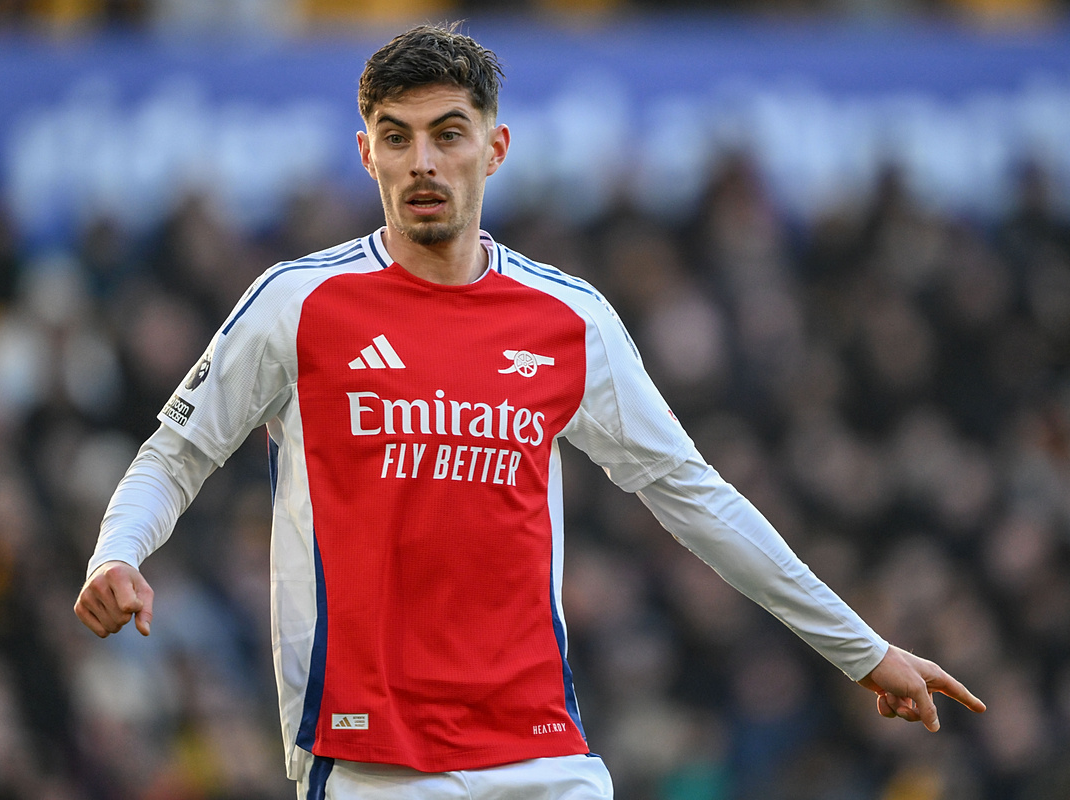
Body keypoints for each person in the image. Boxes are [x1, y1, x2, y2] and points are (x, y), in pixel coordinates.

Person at [75, 23, 985, 799]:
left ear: (495, 147)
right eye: (396, 137)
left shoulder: (567, 319)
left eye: (448, 134)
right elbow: (176, 452)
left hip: (542, 755)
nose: (422, 162)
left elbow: (692, 495)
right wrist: (118, 551)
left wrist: (862, 650)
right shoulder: (298, 303)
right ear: (366, 154)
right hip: (371, 760)